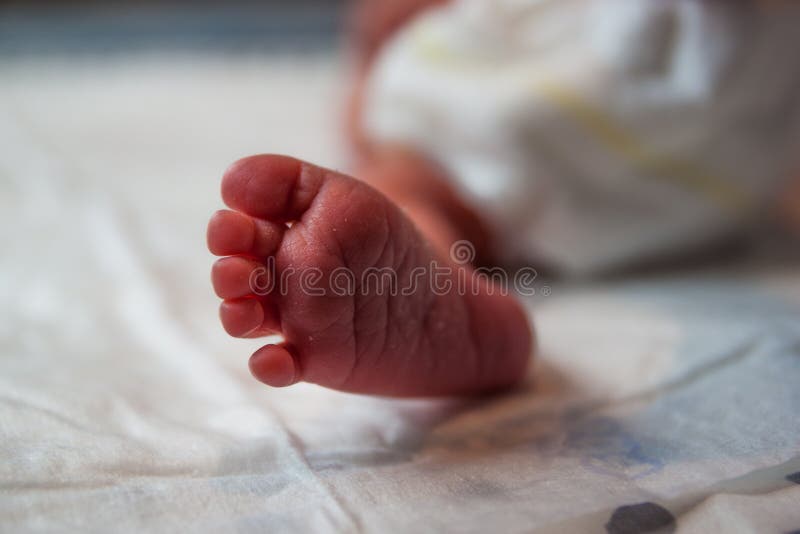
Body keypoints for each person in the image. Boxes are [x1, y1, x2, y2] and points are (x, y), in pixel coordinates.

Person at [206, 0, 800, 396]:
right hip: (728, 158)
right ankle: (424, 257)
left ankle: (426, 254)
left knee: (414, 177)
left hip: (578, 77)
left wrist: (381, 43)